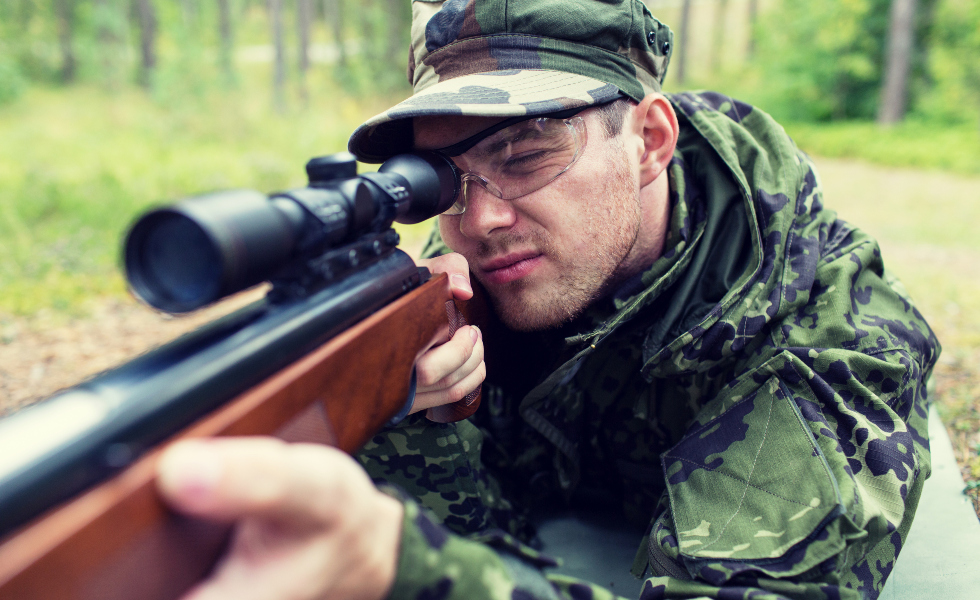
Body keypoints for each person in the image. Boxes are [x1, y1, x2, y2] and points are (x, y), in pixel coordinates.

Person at [155, 1, 941, 599]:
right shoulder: (469, 278)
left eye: (527, 155)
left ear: (650, 141)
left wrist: (395, 565)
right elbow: (494, 533)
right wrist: (421, 422)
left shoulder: (829, 339)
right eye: (448, 181)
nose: (481, 219)